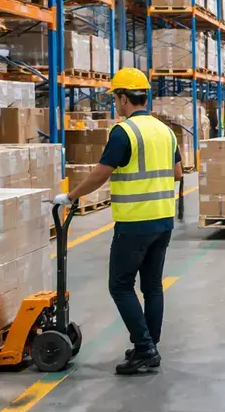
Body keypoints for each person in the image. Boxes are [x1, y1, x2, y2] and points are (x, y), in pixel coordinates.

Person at [55, 67, 182, 375]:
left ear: (124, 98)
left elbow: (102, 172)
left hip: (134, 223)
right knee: (152, 285)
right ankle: (149, 344)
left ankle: (144, 348)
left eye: (116, 98)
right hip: (163, 220)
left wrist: (70, 196)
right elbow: (178, 173)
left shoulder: (124, 132)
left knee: (120, 285)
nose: (115, 103)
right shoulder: (164, 130)